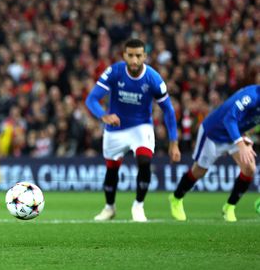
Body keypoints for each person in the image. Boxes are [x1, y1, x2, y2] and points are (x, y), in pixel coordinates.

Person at [85, 39, 181, 222]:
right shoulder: (114, 72)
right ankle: (109, 208)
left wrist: (174, 142)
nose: (135, 60)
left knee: (144, 160)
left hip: (141, 126)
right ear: (124, 55)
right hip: (115, 128)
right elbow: (91, 99)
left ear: (145, 56)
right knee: (112, 170)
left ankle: (138, 206)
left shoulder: (153, 79)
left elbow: (168, 110)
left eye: (138, 55)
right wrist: (104, 116)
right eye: (131, 55)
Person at [169, 85, 259, 222]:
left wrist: (245, 135)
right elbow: (229, 119)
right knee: (199, 171)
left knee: (249, 168)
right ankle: (176, 198)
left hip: (235, 134)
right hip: (214, 133)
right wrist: (241, 144)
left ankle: (229, 207)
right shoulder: (250, 97)